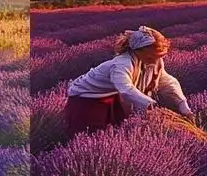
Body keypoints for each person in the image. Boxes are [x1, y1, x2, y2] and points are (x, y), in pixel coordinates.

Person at [63, 26, 196, 136]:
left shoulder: (153, 60)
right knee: (90, 136)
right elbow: (126, 89)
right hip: (88, 100)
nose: (156, 60)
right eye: (153, 56)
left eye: (160, 56)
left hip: (113, 97)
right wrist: (151, 105)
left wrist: (183, 105)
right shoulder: (122, 64)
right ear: (138, 51)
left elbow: (167, 82)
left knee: (117, 134)